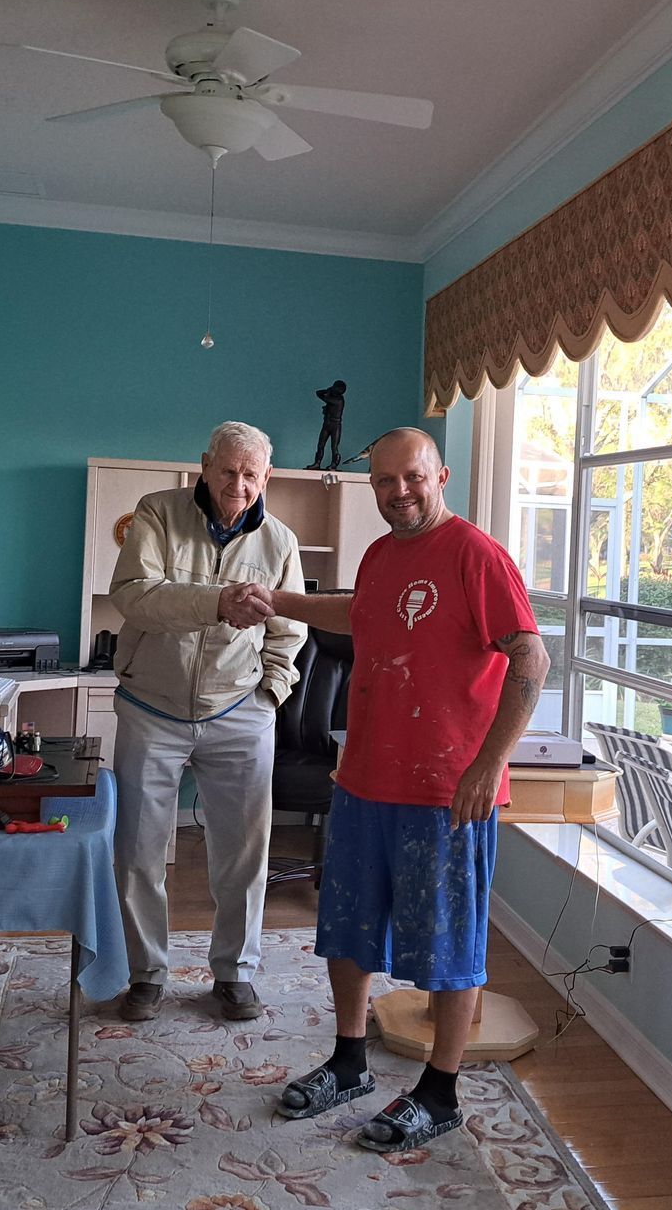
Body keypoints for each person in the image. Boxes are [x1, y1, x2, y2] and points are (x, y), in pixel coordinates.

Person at [233, 428, 549, 1152]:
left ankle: (440, 1092)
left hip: (447, 790)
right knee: (347, 927)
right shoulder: (381, 555)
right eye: (383, 482)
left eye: (411, 478)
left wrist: (487, 767)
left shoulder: (476, 555)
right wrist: (278, 601)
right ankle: (349, 1061)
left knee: (449, 943)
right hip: (366, 778)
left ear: (439, 475)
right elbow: (360, 614)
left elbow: (531, 654)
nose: (398, 492)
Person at [108, 421, 306, 1023]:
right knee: (139, 850)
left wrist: (272, 690)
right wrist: (216, 602)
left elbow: (289, 629)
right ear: (204, 466)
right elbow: (134, 594)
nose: (238, 485)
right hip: (152, 711)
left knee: (244, 853)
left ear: (267, 477)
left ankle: (235, 973)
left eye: (251, 475)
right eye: (227, 471)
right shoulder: (157, 514)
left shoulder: (280, 541)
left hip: (240, 711)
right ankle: (146, 973)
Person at [312, 380, 346, 469]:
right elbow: (318, 393)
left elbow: (324, 397)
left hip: (335, 425)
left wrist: (328, 391)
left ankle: (334, 464)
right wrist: (329, 390)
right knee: (320, 445)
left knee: (334, 447)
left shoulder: (339, 400)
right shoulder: (333, 397)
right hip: (327, 423)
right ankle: (317, 463)